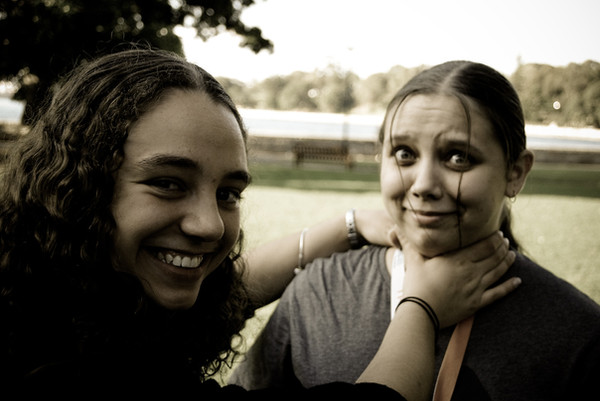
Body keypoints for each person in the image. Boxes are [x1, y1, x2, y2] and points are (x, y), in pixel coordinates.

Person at [0, 49, 519, 399]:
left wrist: (349, 225)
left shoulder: (72, 297)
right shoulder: (55, 365)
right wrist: (421, 307)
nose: (209, 225)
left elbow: (230, 291)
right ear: (78, 185)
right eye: (168, 183)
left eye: (228, 193)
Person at [229, 61, 600, 400]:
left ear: (515, 173)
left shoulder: (576, 331)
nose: (423, 185)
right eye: (405, 154)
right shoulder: (319, 292)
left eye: (458, 157)